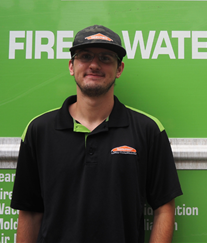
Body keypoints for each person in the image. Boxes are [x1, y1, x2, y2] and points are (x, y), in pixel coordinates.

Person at [11, 25, 183, 243]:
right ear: (71, 66)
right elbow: (29, 212)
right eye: (85, 57)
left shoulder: (148, 129)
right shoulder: (39, 130)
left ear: (119, 69)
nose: (94, 65)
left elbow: (163, 208)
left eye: (105, 58)